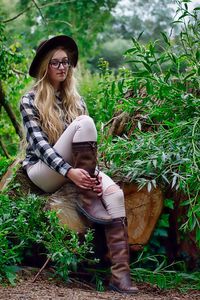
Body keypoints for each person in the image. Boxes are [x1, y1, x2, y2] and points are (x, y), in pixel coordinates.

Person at [20, 35, 138, 294]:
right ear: (44, 67)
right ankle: (88, 197)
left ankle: (120, 276)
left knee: (115, 194)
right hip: (44, 170)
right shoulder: (29, 100)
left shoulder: (77, 100)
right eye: (55, 63)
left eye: (66, 62)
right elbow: (40, 147)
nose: (62, 67)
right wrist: (70, 172)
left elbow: (88, 149)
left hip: (77, 168)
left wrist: (92, 175)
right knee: (85, 122)